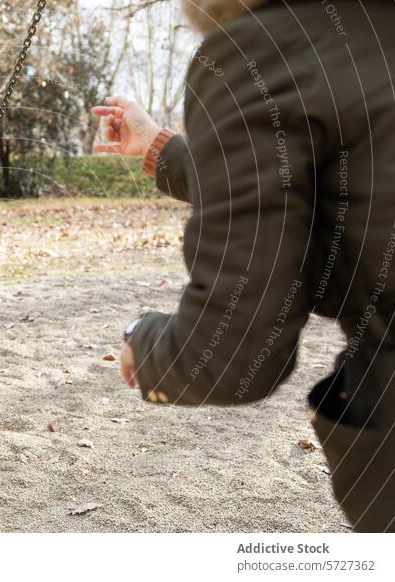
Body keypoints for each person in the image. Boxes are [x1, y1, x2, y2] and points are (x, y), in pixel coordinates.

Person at [93, 0, 395, 531]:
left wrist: (146, 342)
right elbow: (311, 177)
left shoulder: (260, 51)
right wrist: (158, 148)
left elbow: (234, 350)